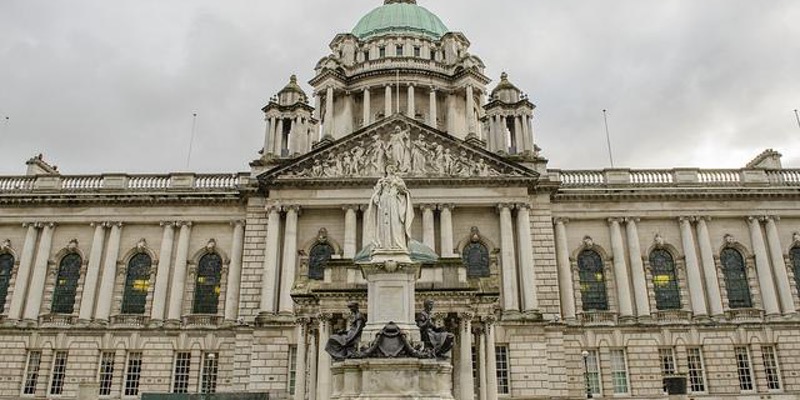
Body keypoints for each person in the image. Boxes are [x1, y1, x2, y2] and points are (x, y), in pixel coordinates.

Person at [367, 164, 414, 251]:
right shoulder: (381, 181)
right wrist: (377, 199)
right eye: (389, 167)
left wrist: (397, 185)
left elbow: (404, 192)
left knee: (396, 222)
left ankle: (397, 244)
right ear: (386, 169)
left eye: (393, 167)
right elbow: (377, 193)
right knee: (383, 224)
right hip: (384, 202)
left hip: (395, 202)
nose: (391, 169)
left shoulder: (399, 180)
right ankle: (384, 244)